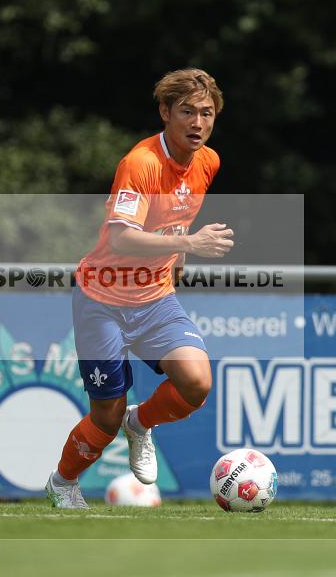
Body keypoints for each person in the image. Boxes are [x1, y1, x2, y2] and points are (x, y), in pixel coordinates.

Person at [45, 68, 233, 508]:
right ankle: (62, 483)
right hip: (102, 300)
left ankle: (141, 423)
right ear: (165, 112)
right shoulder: (141, 163)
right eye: (187, 112)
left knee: (196, 382)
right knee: (105, 416)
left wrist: (178, 256)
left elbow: (175, 216)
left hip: (155, 298)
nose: (198, 123)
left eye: (207, 113)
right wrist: (190, 243)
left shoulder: (208, 161)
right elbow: (120, 238)